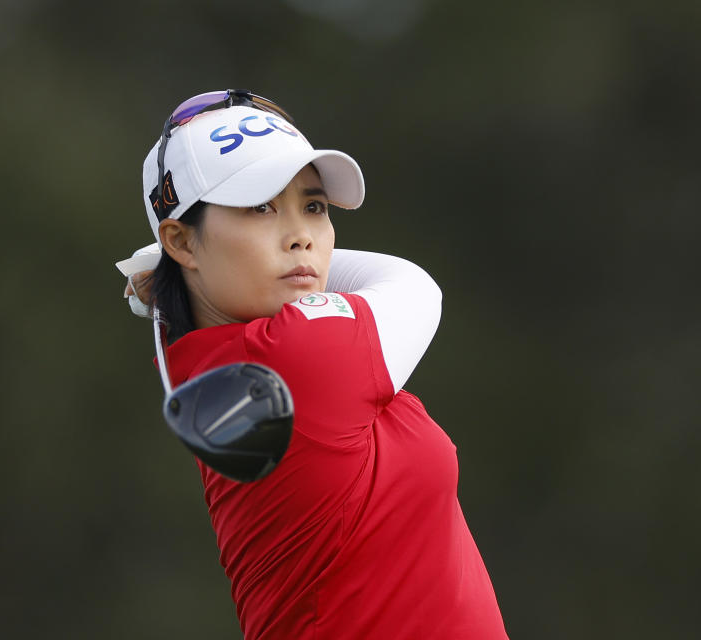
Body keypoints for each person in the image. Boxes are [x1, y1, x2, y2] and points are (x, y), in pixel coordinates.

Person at [116, 90, 507, 639]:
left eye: (314, 207)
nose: (302, 235)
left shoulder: (219, 361)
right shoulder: (295, 359)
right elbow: (412, 284)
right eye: (260, 207)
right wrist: (168, 270)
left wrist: (177, 270)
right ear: (180, 240)